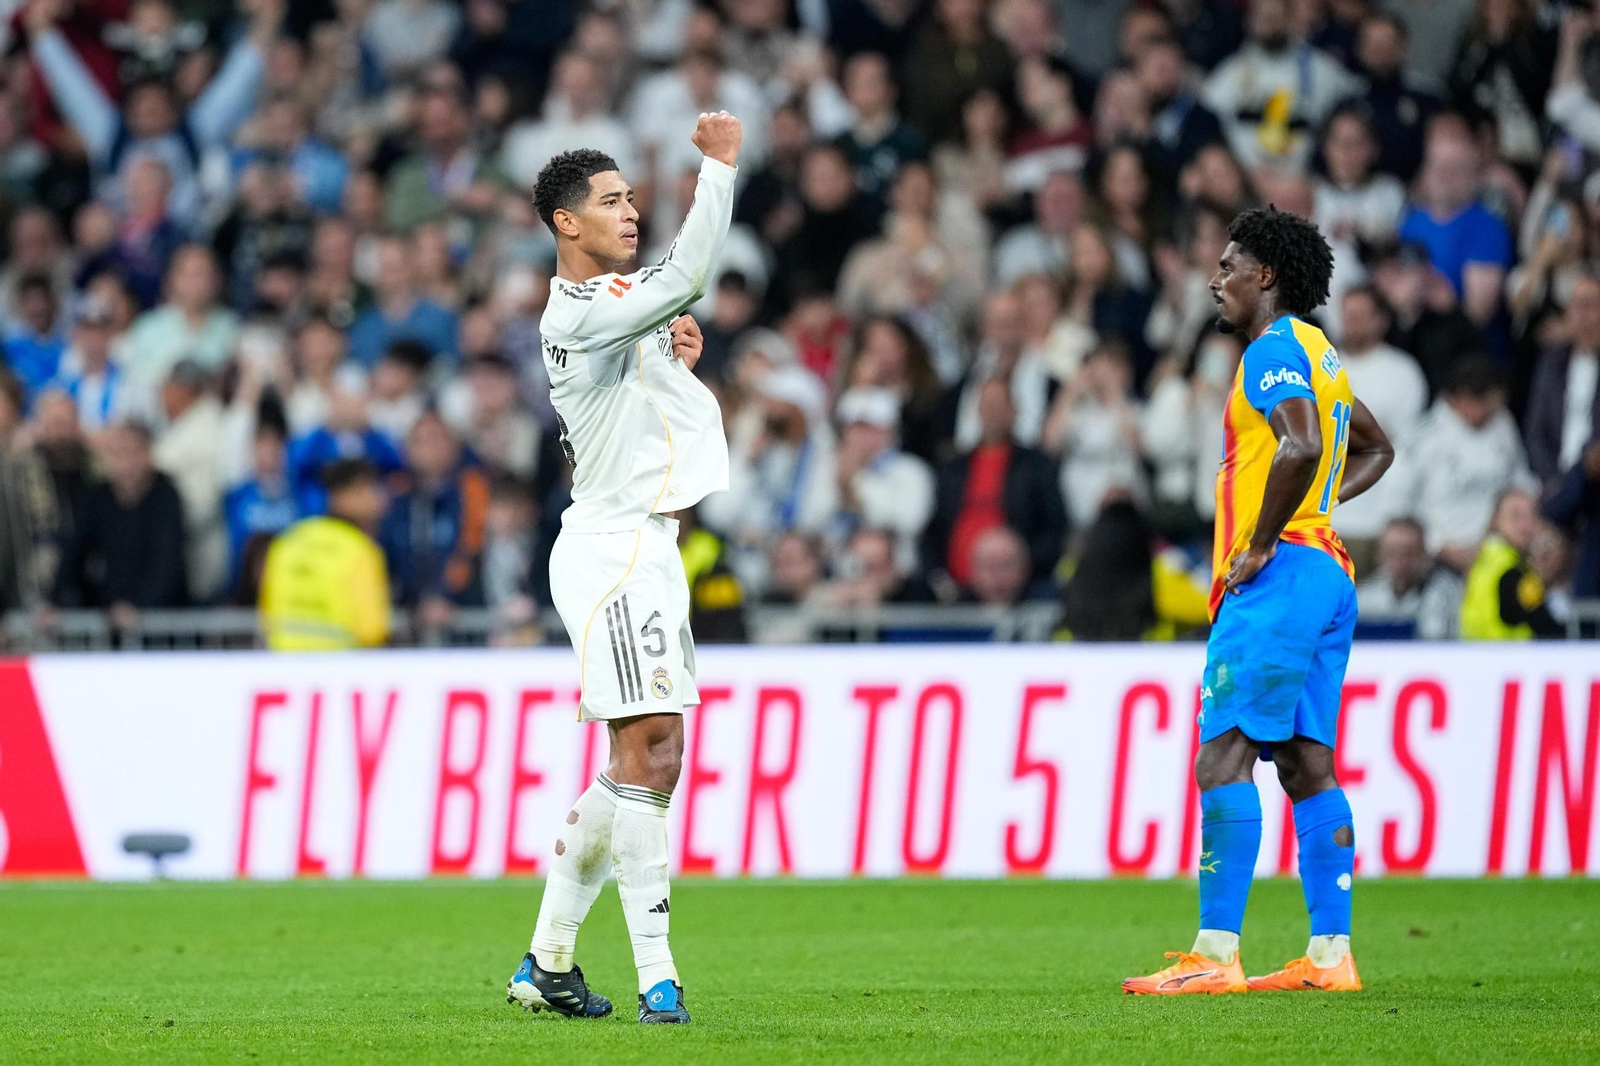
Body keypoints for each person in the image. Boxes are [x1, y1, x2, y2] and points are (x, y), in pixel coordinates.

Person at [504, 113, 742, 1026]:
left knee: (641, 760)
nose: (631, 210)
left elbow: (651, 388)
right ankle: (659, 977)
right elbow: (691, 275)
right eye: (611, 201)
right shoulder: (579, 312)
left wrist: (680, 362)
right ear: (567, 223)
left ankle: (547, 961)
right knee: (656, 750)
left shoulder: (621, 307)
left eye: (632, 197)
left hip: (646, 548)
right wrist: (716, 170)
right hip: (613, 551)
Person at [1124, 206, 1393, 996]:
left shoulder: (1272, 350)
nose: (1216, 280)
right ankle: (1328, 956)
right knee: (1307, 763)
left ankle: (1215, 953)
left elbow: (1301, 443)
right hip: (1328, 573)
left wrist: (1265, 537)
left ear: (1265, 275)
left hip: (1280, 580)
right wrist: (1313, 515)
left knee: (1223, 756)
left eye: (1228, 265)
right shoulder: (1323, 353)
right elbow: (1373, 447)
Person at [258, 458, 390, 651]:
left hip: (284, 665)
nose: (377, 499)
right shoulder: (360, 550)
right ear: (344, 495)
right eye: (369, 490)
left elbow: (266, 612)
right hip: (339, 670)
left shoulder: (288, 541)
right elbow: (371, 630)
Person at [1460, 488, 1564, 640]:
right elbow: (1546, 628)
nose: (1525, 524)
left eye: (1532, 515)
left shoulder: (1480, 563)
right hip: (1511, 658)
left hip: (1475, 657)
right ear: (1496, 520)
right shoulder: (1516, 573)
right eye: (1516, 515)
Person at [1355, 516, 1463, 639]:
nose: (1399, 562)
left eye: (1409, 554)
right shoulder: (1363, 597)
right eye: (1391, 553)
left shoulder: (1450, 596)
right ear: (1378, 555)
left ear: (1425, 554)